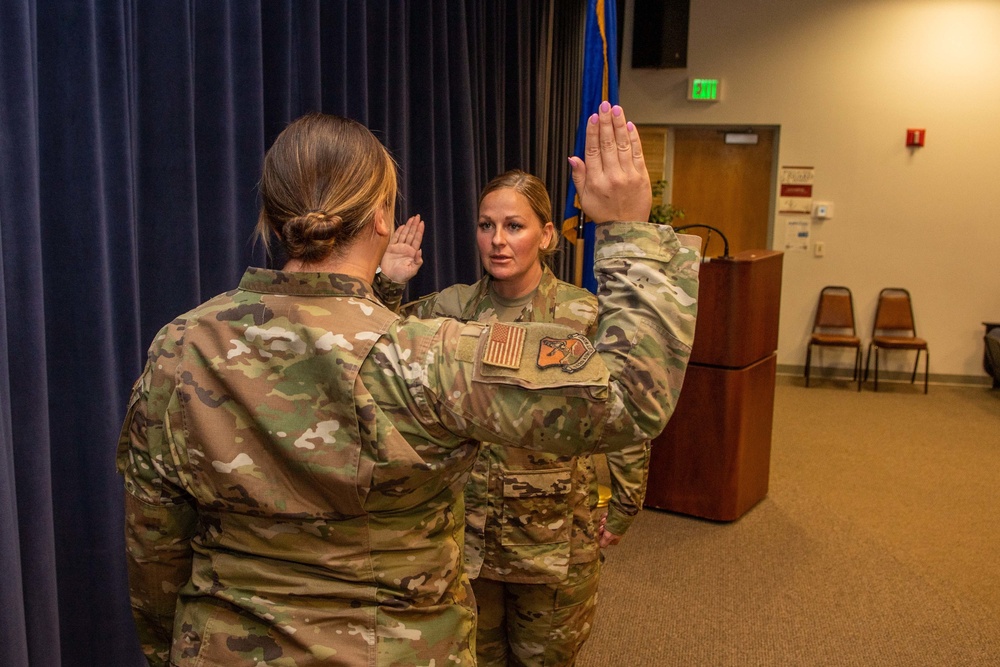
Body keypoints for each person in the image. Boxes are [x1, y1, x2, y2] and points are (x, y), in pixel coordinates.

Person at [117, 102, 700, 667]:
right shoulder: (428, 354)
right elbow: (630, 400)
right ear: (380, 218)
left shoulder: (180, 348)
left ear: (272, 216)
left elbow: (155, 549)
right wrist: (629, 232)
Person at [377, 169, 651, 666]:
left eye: (514, 226)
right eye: (486, 226)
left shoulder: (582, 316)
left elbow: (623, 414)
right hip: (467, 539)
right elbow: (375, 351)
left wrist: (628, 501)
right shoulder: (452, 309)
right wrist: (389, 283)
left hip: (553, 539)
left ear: (547, 235)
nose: (498, 241)